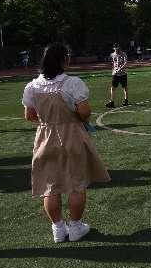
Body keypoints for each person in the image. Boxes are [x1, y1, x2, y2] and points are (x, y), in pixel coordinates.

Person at [22, 43, 110, 243]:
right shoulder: (73, 83)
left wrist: (48, 123)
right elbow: (84, 112)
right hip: (71, 134)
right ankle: (76, 227)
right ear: (64, 60)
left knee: (50, 186)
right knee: (76, 184)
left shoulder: (32, 86)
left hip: (45, 136)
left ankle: (58, 229)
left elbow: (29, 115)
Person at [105, 44, 128, 108]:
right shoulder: (112, 55)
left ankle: (126, 100)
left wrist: (120, 69)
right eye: (116, 48)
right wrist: (113, 70)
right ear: (114, 48)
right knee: (113, 87)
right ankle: (111, 102)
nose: (117, 49)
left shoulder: (123, 54)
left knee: (125, 87)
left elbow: (125, 63)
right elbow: (112, 63)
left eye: (118, 48)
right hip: (115, 74)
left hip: (123, 74)